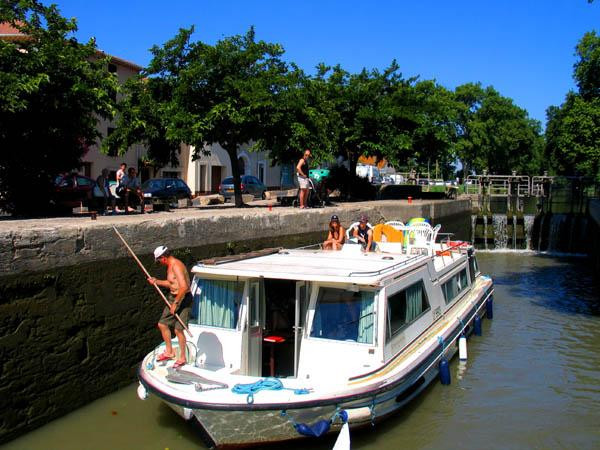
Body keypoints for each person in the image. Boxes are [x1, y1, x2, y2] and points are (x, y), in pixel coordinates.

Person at [147, 246, 192, 369]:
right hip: (173, 297)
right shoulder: (170, 266)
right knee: (162, 324)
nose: (159, 263)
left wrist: (176, 303)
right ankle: (169, 352)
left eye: (158, 260)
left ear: (163, 257)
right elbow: (172, 283)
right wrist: (157, 281)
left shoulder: (176, 265)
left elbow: (183, 287)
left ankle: (182, 357)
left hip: (183, 298)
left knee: (178, 330)